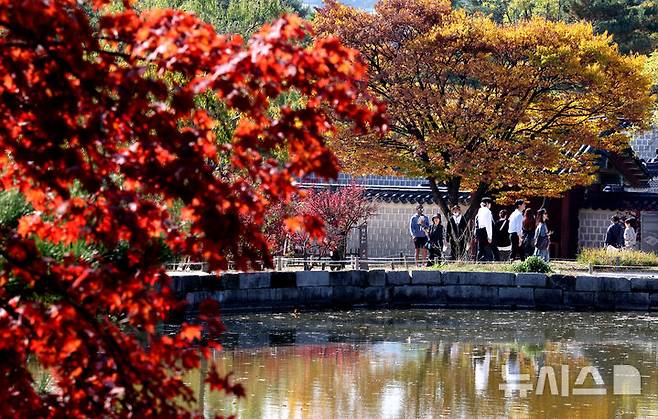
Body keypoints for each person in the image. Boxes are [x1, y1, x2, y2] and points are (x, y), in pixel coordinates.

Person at [475, 197, 494, 262]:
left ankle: (478, 260)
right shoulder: (488, 211)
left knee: (480, 248)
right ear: (487, 203)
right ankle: (488, 260)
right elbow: (488, 224)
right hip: (485, 231)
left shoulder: (480, 210)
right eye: (490, 203)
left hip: (479, 230)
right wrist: (490, 236)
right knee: (487, 247)